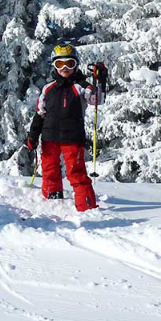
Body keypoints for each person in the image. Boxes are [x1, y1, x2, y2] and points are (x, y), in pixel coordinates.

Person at [27, 44, 107, 212]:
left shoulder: (81, 86)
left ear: (76, 65)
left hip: (72, 138)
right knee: (49, 171)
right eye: (60, 64)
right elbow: (40, 113)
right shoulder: (48, 88)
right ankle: (52, 202)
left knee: (76, 173)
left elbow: (97, 100)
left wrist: (100, 80)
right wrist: (33, 135)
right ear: (54, 66)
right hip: (49, 138)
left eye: (69, 64)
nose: (65, 68)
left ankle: (87, 209)